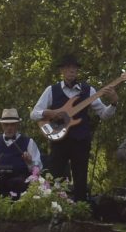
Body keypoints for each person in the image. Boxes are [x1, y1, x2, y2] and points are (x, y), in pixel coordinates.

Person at [33, 56, 120, 202]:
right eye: (68, 67)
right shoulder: (51, 90)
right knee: (54, 179)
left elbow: (104, 115)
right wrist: (51, 113)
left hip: (81, 141)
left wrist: (114, 103)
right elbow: (34, 114)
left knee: (80, 181)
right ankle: (53, 208)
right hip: (58, 140)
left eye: (74, 67)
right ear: (62, 70)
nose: (72, 70)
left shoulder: (88, 90)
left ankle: (81, 210)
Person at [0, 107, 45, 197]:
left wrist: (30, 162)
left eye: (12, 124)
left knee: (18, 184)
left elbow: (38, 169)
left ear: (17, 125)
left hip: (19, 178)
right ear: (2, 125)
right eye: (6, 125)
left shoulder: (29, 142)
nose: (9, 128)